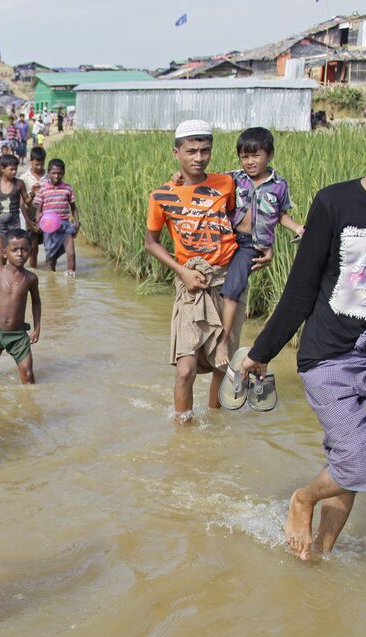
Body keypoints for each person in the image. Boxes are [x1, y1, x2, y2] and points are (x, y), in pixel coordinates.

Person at [238, 95, 366, 560]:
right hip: (328, 355)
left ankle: (319, 557)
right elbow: (301, 288)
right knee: (355, 459)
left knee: (353, 463)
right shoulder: (335, 202)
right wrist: (260, 352)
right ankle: (302, 499)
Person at [143, 120, 264, 420]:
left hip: (227, 282)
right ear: (176, 152)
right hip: (191, 283)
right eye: (191, 151)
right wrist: (181, 271)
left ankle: (215, 422)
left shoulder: (227, 183)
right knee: (185, 368)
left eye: (205, 150)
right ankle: (183, 433)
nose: (199, 158)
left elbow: (264, 197)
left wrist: (264, 249)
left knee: (222, 365)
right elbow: (151, 242)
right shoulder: (161, 196)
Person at [175, 128, 305, 372]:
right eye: (245, 157)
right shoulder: (233, 178)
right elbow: (203, 179)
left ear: (270, 155)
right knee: (214, 284)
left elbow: (281, 215)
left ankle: (223, 343)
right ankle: (202, 341)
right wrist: (179, 177)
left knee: (232, 292)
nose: (250, 162)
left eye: (256, 156)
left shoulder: (278, 185)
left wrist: (297, 227)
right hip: (228, 239)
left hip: (251, 246)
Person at [0, 231, 42, 383]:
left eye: (24, 249)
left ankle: (30, 405)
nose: (20, 254)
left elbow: (36, 302)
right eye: (14, 250)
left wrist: (37, 328)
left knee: (28, 377)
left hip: (18, 335)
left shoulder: (30, 278)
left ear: (31, 251)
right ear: (4, 252)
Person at [0, 153, 30, 265]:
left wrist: (32, 195)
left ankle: (16, 274)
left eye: (16, 169)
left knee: (15, 251)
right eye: (11, 169)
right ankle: (2, 275)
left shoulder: (19, 184)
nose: (14, 172)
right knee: (2, 253)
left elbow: (27, 201)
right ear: (3, 169)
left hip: (14, 223)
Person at [34, 158, 80, 275]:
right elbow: (39, 210)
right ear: (48, 173)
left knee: (71, 253)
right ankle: (52, 278)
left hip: (64, 226)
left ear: (63, 173)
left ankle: (71, 277)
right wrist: (38, 221)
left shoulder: (67, 189)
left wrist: (77, 222)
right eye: (53, 173)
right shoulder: (43, 189)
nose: (56, 176)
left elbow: (73, 207)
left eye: (59, 173)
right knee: (51, 258)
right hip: (49, 227)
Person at [17, 147, 47, 266]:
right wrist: (28, 222)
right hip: (31, 216)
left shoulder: (49, 176)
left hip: (46, 216)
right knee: (33, 248)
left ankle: (50, 273)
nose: (39, 167)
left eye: (41, 164)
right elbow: (21, 203)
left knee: (49, 246)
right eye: (36, 164)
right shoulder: (24, 178)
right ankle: (34, 271)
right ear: (31, 161)